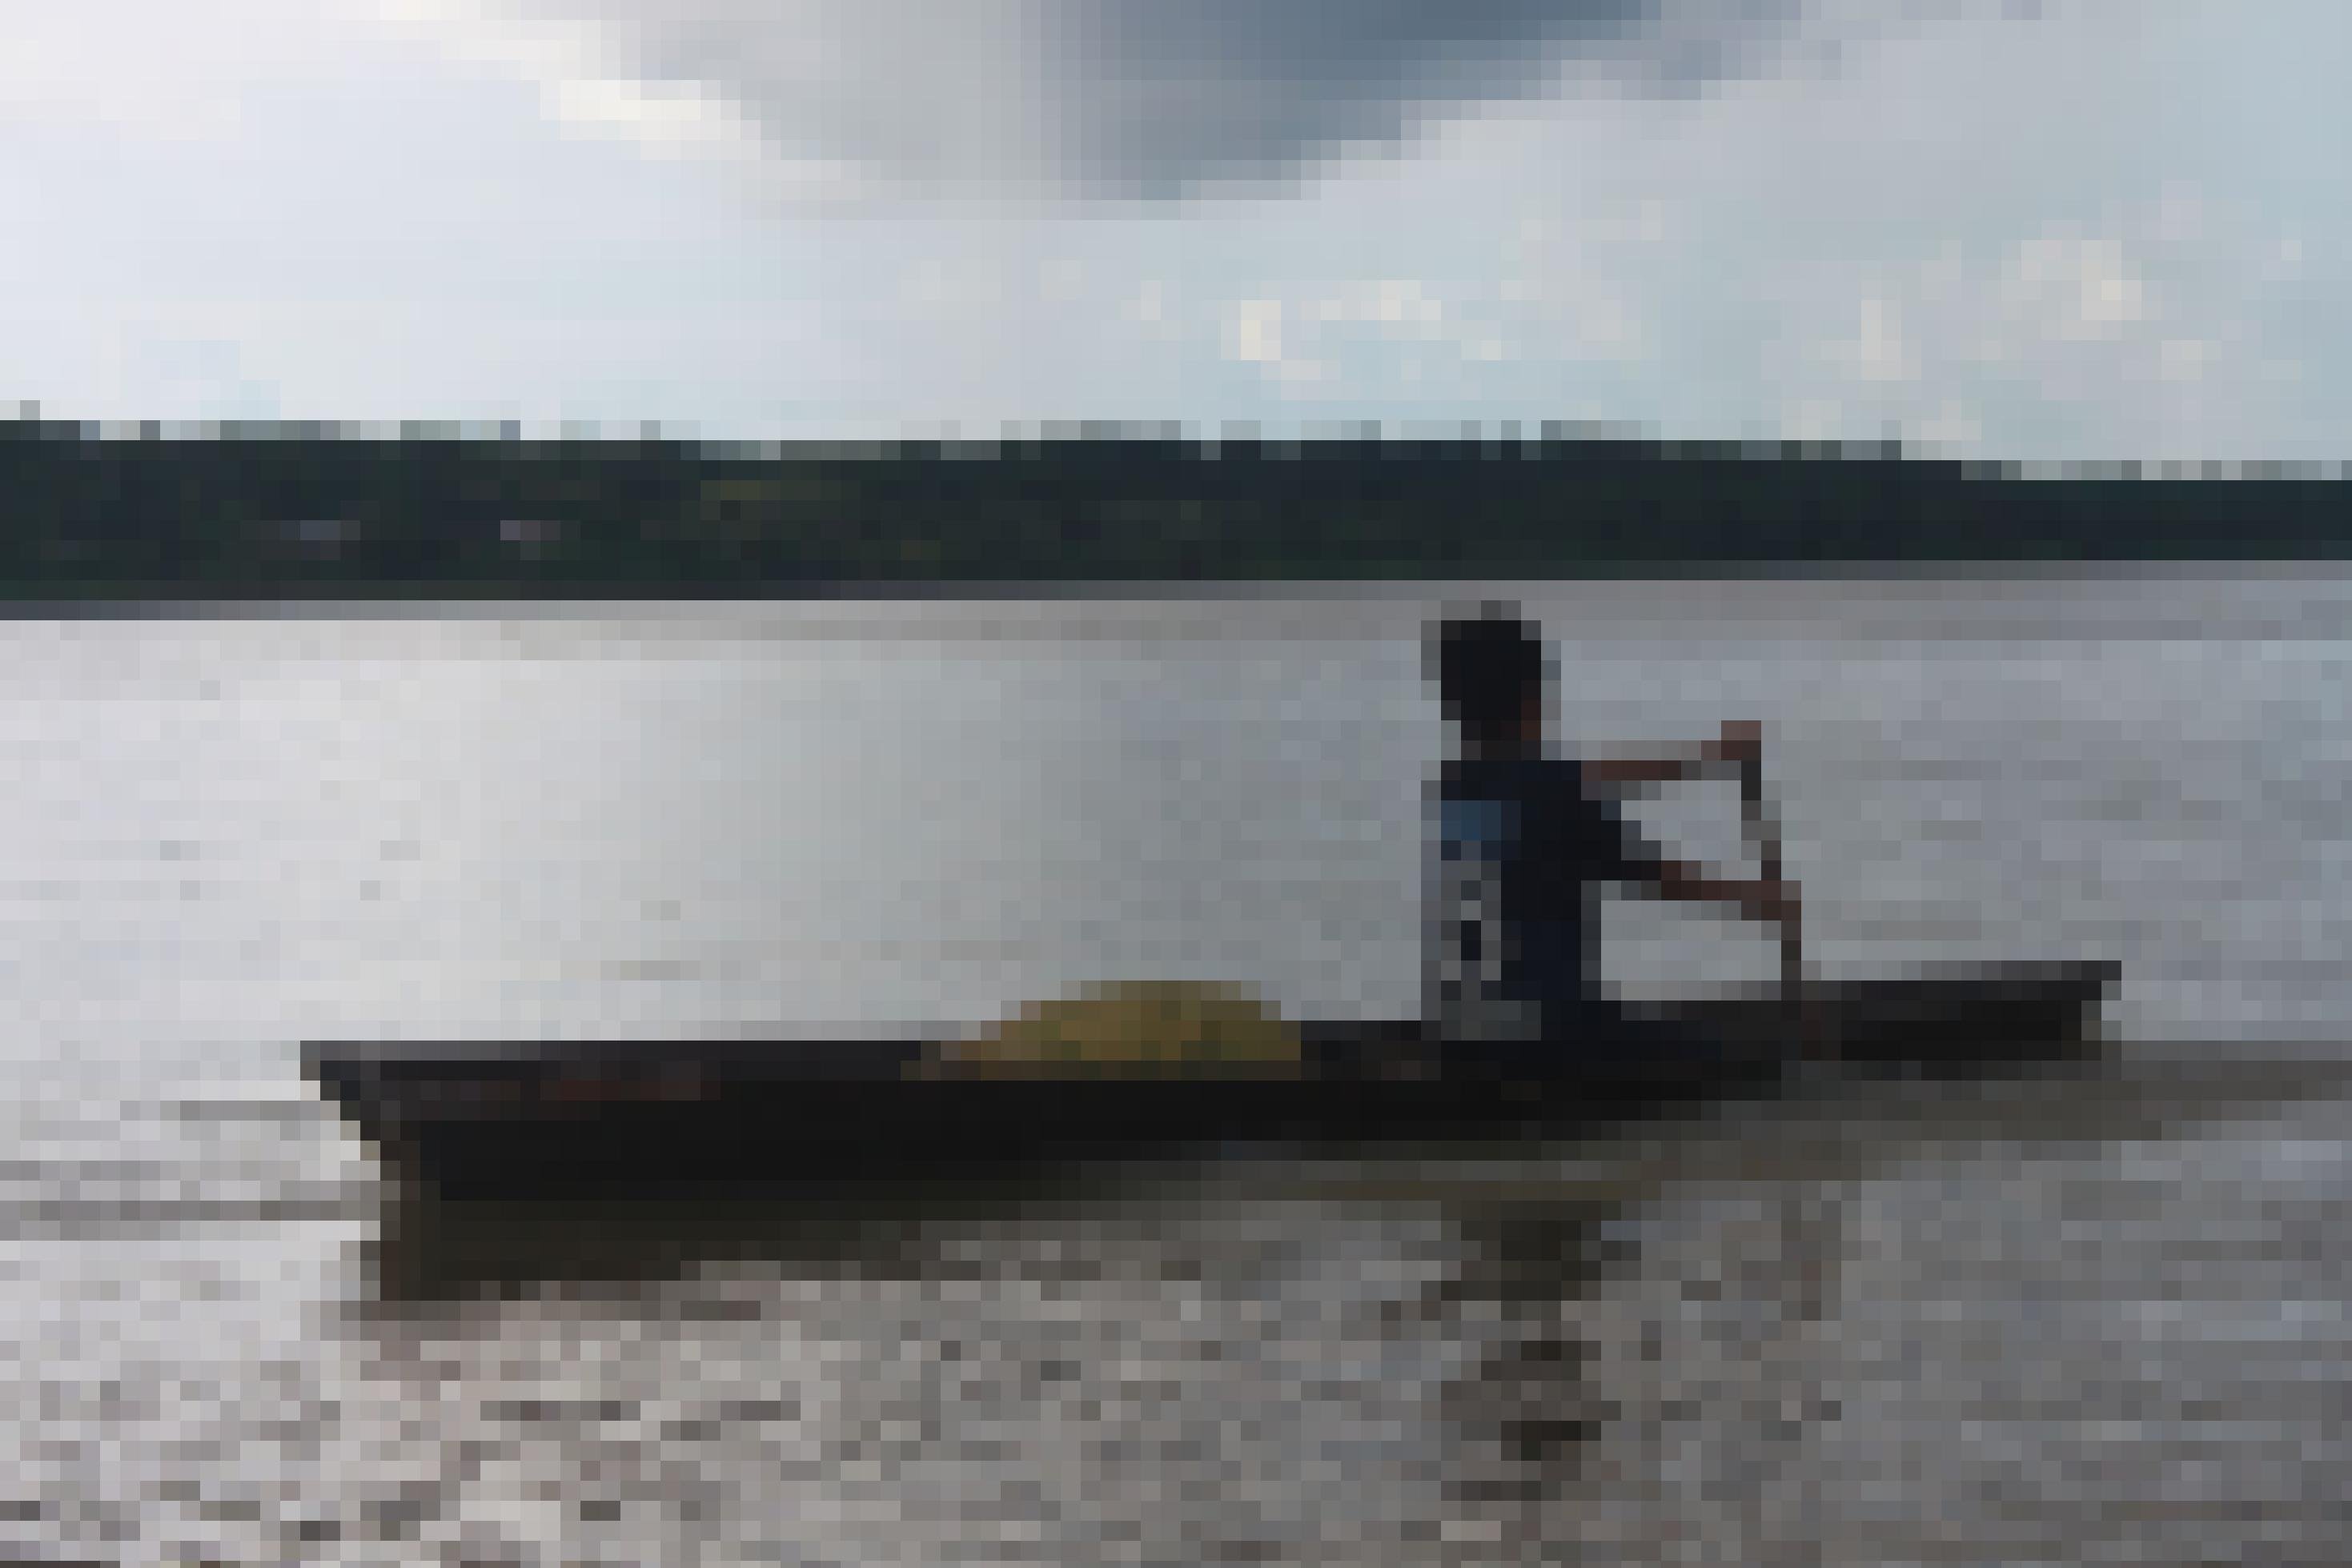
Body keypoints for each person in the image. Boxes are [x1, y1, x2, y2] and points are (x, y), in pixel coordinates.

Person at [1427, 604, 1800, 1075]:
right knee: (1746, 1062)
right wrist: (1762, 900)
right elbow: (1655, 877)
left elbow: (1571, 780)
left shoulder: (1454, 789)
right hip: (1553, 1033)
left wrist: (1709, 760)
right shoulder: (1558, 793)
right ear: (1534, 701)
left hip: (1462, 1025)